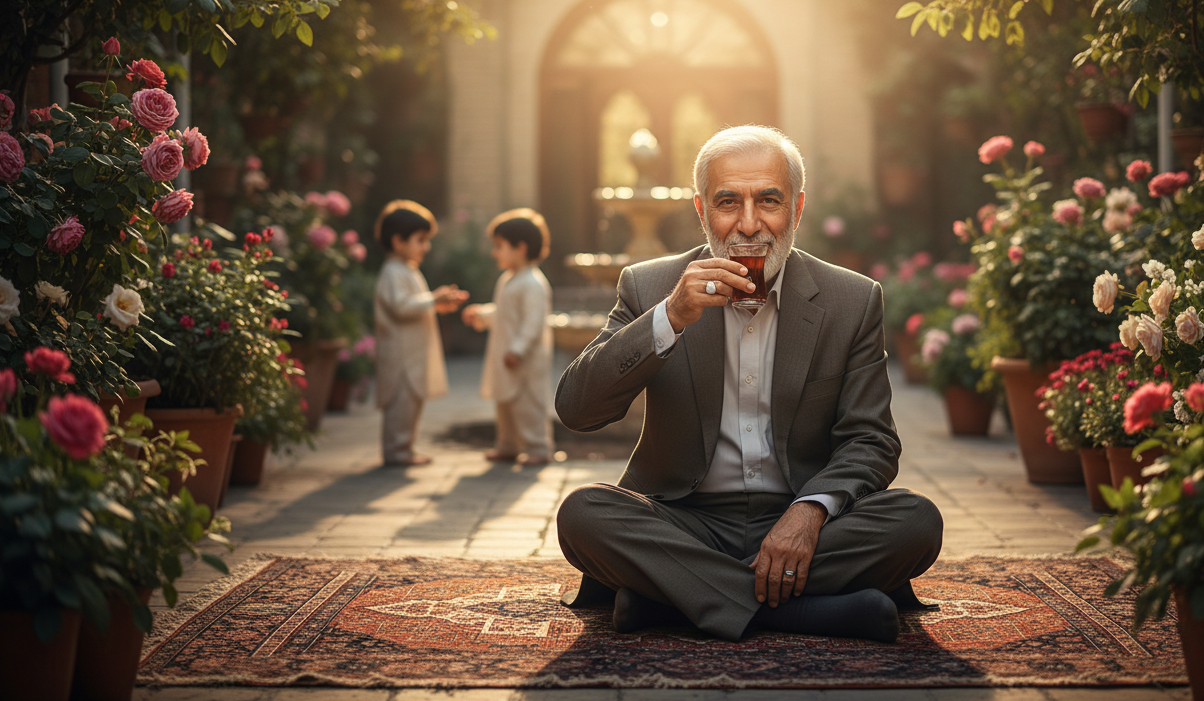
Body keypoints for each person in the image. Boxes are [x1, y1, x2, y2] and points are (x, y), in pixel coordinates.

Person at [555, 125, 943, 643]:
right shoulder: (649, 286)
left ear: (797, 209)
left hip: (808, 525)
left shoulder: (852, 300)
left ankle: (671, 598)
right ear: (700, 211)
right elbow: (577, 410)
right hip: (684, 522)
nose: (749, 224)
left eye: (769, 201)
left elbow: (871, 440)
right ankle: (802, 612)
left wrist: (809, 512)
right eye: (727, 202)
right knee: (582, 515)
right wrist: (670, 317)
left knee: (917, 521)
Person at [373, 199, 468, 466]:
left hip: (412, 356)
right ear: (397, 241)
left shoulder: (407, 270)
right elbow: (401, 307)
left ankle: (405, 447)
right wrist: (433, 299)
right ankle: (396, 450)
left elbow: (415, 305)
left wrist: (436, 303)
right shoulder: (393, 272)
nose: (426, 246)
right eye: (420, 239)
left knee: (412, 403)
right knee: (400, 403)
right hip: (401, 357)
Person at [462, 209, 555, 466]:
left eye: (500, 246)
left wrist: (519, 349)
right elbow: (504, 314)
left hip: (524, 359)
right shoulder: (508, 280)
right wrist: (481, 314)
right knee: (505, 402)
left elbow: (532, 323)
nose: (495, 252)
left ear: (521, 248)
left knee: (528, 403)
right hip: (506, 357)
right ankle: (507, 444)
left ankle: (538, 446)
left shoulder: (533, 283)